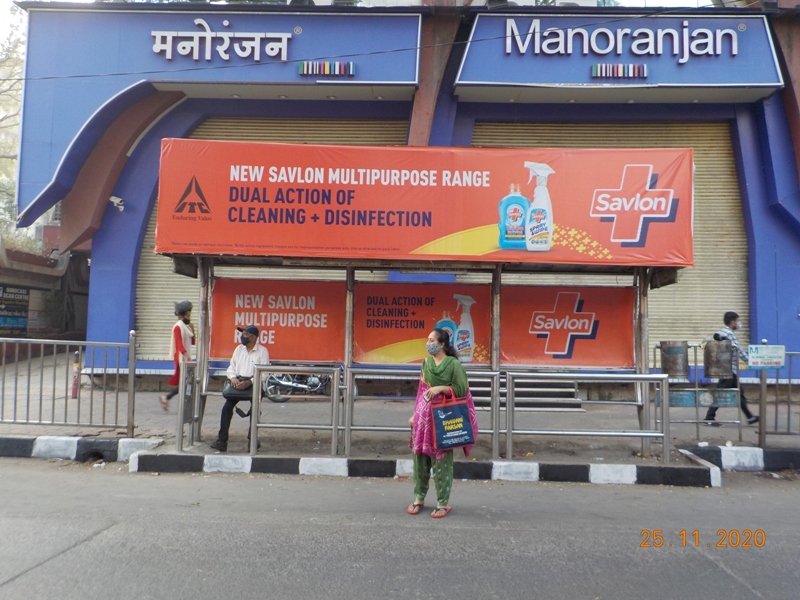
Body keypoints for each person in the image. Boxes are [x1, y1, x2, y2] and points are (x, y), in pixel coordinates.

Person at [407, 328, 478, 519]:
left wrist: (442, 388)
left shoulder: (453, 365)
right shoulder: (426, 363)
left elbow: (462, 389)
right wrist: (414, 415)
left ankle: (442, 502)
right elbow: (421, 390)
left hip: (443, 419)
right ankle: (419, 497)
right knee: (419, 458)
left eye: (432, 340)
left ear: (442, 344)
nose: (428, 343)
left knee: (441, 461)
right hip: (424, 418)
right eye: (428, 340)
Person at [210, 325, 270, 452]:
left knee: (255, 410)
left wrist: (250, 382)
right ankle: (222, 441)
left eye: (246, 334)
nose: (243, 336)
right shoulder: (238, 349)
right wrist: (233, 378)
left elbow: (264, 373)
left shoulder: (263, 351)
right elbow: (231, 367)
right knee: (227, 408)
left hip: (253, 384)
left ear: (253, 337)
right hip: (237, 383)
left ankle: (252, 439)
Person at [705, 311, 759, 426]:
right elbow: (738, 349)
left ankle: (750, 417)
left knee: (739, 392)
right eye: (738, 321)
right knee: (721, 393)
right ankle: (709, 418)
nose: (739, 324)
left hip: (728, 369)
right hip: (727, 369)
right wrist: (751, 361)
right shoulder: (727, 333)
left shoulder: (726, 333)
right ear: (732, 321)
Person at [160, 300, 195, 412]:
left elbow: (193, 342)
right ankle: (177, 402)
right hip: (181, 358)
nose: (189, 317)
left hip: (186, 357)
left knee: (185, 382)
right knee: (185, 382)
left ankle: (167, 398)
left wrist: (193, 329)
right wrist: (186, 355)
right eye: (188, 315)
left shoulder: (186, 327)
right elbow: (179, 343)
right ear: (182, 315)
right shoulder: (178, 327)